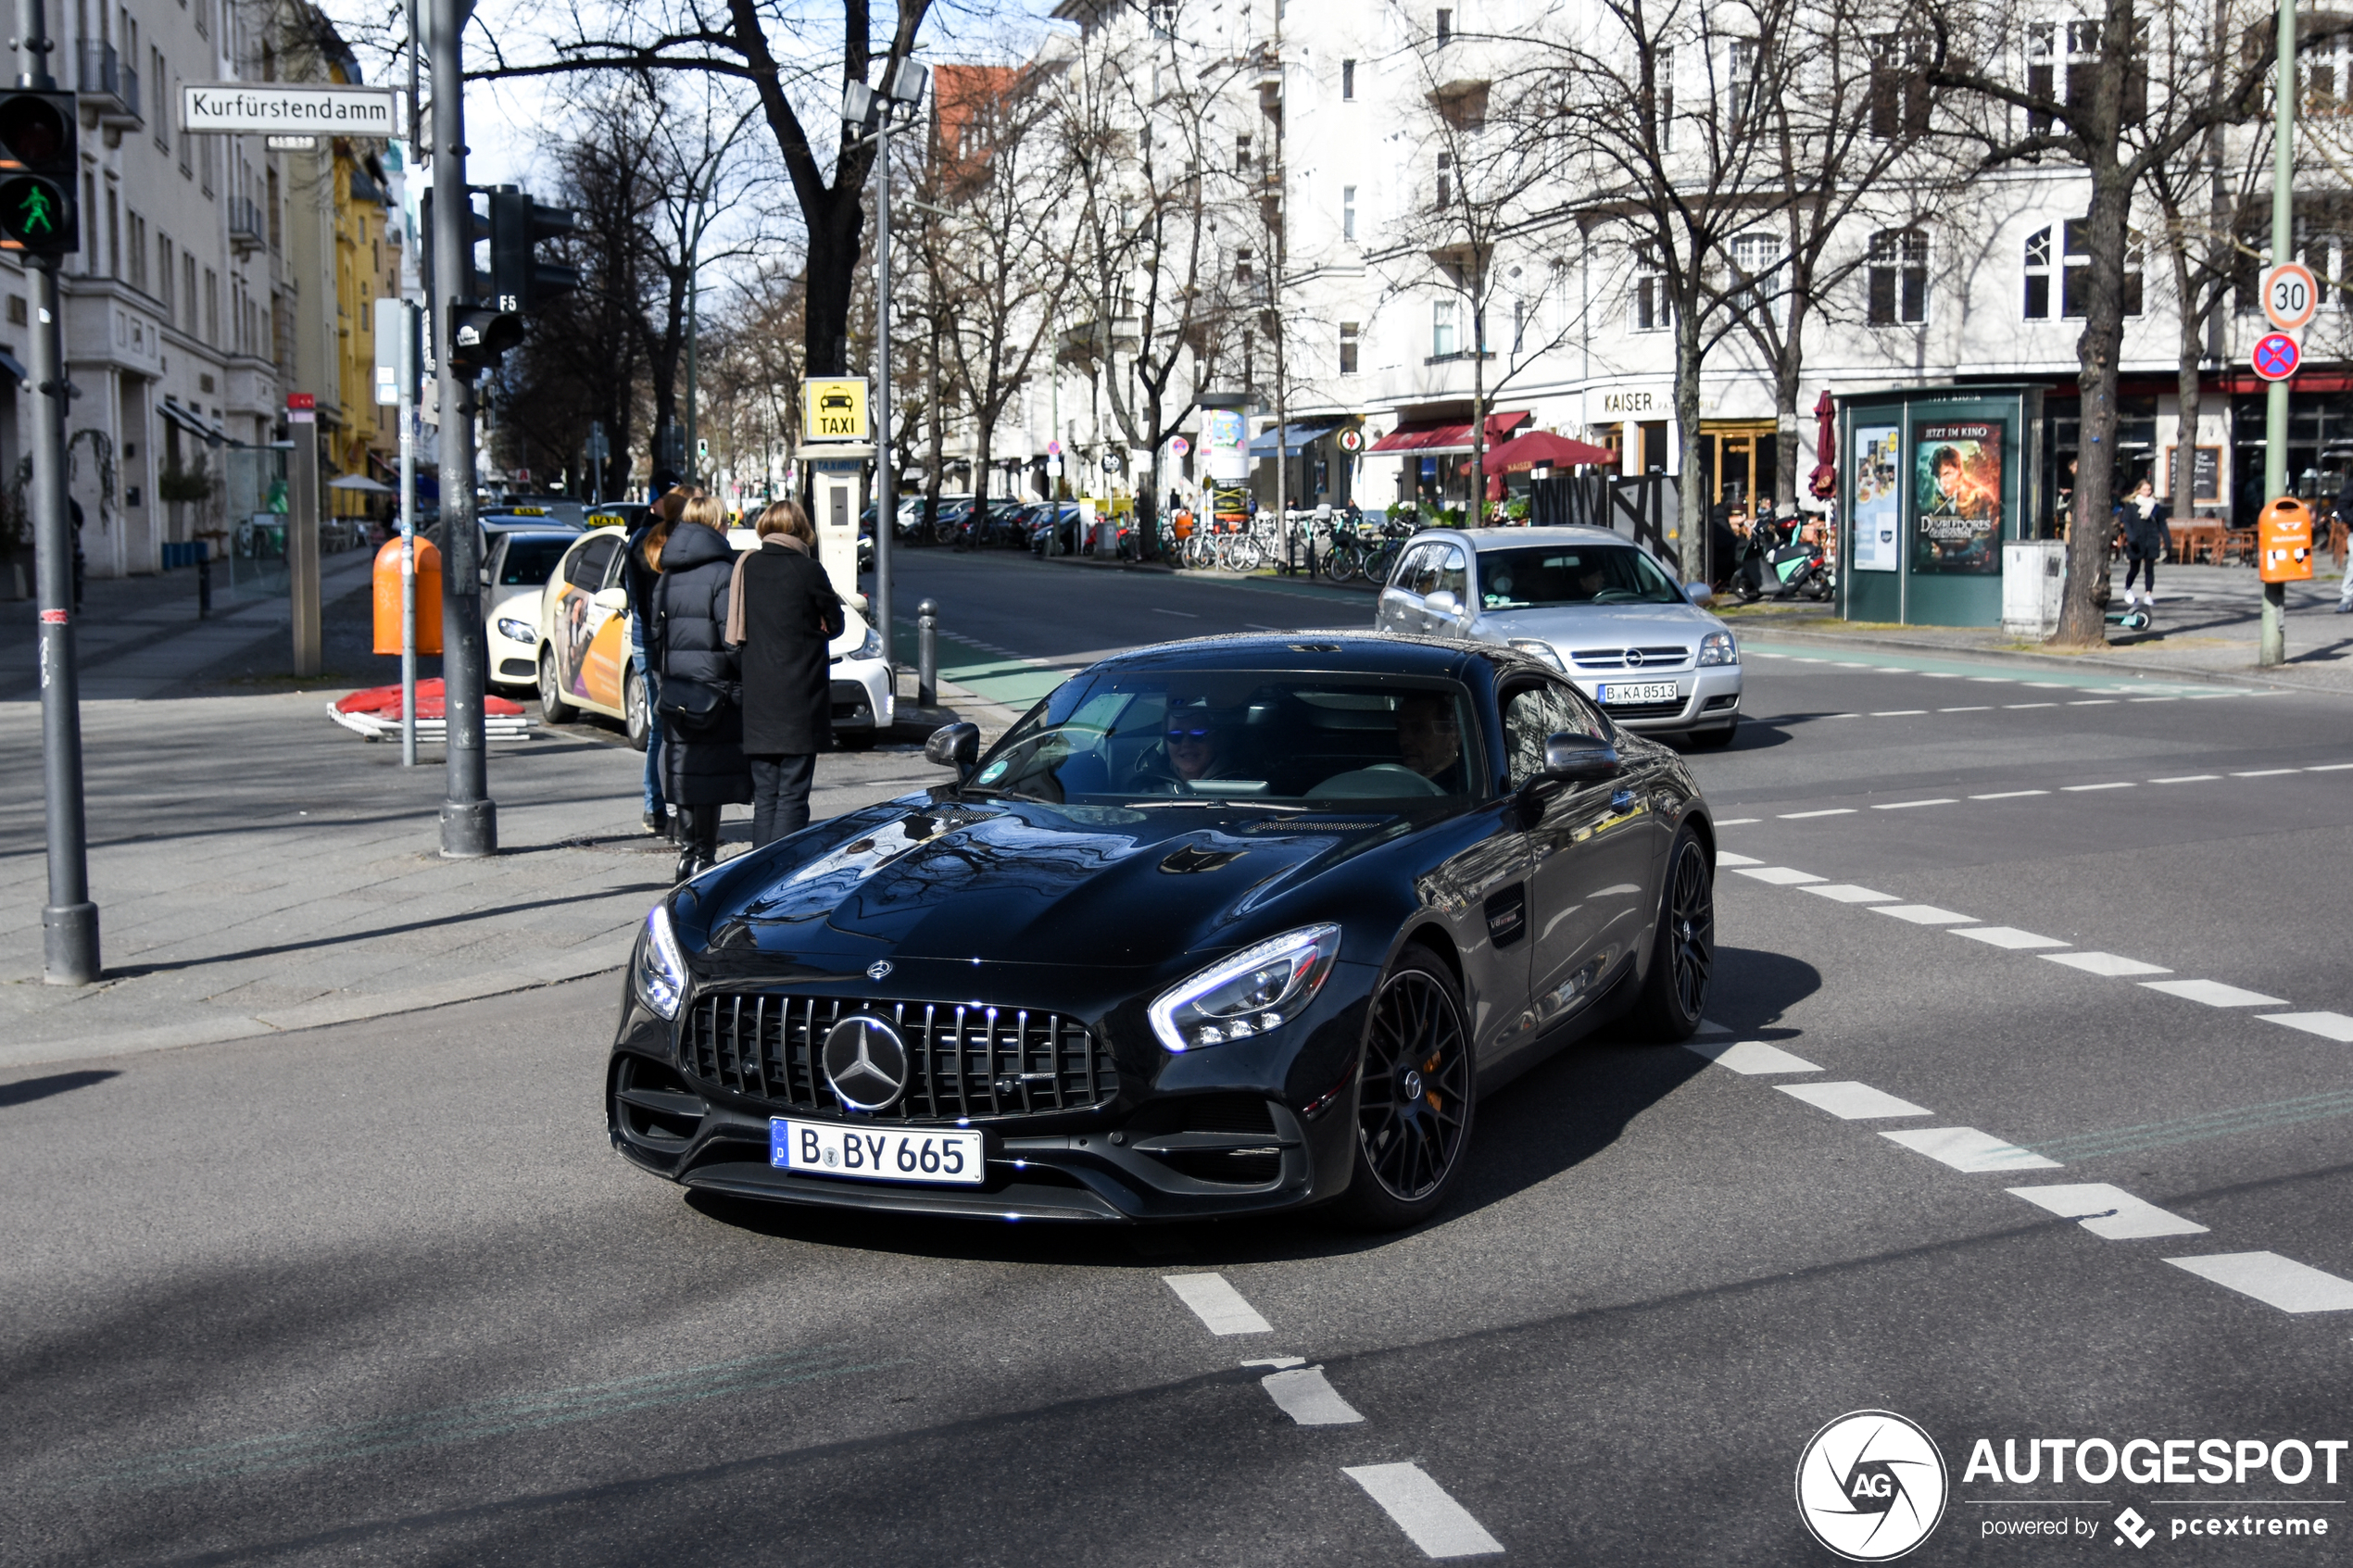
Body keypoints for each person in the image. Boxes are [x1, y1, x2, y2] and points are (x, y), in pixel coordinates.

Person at [728, 499, 844, 848]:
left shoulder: (747, 566)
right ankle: (781, 875)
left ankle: (756, 873)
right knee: (793, 795)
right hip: (798, 700)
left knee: (765, 797)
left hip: (759, 700)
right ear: (800, 530)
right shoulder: (808, 570)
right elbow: (835, 623)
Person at [650, 494, 751, 881]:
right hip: (716, 692)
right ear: (716, 525)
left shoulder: (668, 573)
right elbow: (732, 639)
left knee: (688, 773)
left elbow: (657, 634)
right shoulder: (723, 574)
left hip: (678, 691)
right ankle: (703, 857)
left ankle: (688, 853)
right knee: (711, 776)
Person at [623, 487, 686, 837]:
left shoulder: (646, 538)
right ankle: (659, 805)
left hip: (654, 640)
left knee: (661, 727)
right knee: (662, 727)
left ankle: (658, 806)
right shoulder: (647, 542)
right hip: (655, 641)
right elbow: (647, 605)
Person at [2120, 477, 2171, 611]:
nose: (2147, 492)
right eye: (2144, 490)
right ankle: (2128, 589)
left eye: (2149, 490)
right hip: (2136, 541)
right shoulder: (2131, 506)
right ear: (2138, 490)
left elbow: (2162, 524)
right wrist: (2131, 538)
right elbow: (2127, 522)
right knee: (2134, 569)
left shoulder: (2156, 507)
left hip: (2151, 540)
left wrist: (2167, 541)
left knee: (2149, 569)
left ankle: (2148, 594)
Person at [1397, 690, 1463, 788]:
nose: (1403, 741)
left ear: (1454, 736)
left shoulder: (1461, 792)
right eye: (1401, 729)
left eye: (1419, 730)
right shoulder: (1398, 781)